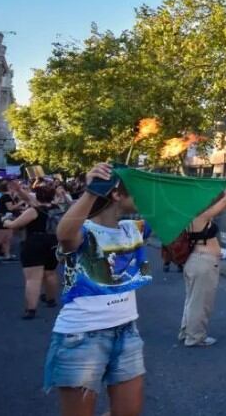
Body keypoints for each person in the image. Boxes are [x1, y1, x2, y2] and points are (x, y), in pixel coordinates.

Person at [44, 163, 151, 416]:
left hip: (127, 332)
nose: (142, 197)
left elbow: (179, 211)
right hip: (81, 336)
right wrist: (92, 191)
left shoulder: (133, 229)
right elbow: (64, 232)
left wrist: (225, 191)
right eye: (135, 190)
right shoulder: (82, 232)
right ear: (116, 194)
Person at [178, 174, 226, 347]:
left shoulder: (188, 212)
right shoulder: (199, 216)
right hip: (203, 262)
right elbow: (223, 203)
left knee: (193, 299)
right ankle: (195, 337)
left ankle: (187, 331)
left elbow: (220, 199)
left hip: (196, 260)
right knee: (201, 303)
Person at [5, 186, 60, 319]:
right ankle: (51, 299)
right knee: (50, 273)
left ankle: (31, 309)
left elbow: (14, 225)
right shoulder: (57, 209)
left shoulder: (33, 211)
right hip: (53, 241)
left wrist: (6, 221)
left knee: (33, 278)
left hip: (35, 242)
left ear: (37, 196)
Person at [0, 180, 21, 261]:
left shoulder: (7, 196)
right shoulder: (6, 196)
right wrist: (21, 203)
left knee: (8, 238)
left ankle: (7, 255)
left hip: (7, 218)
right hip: (2, 219)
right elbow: (10, 208)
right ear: (9, 187)